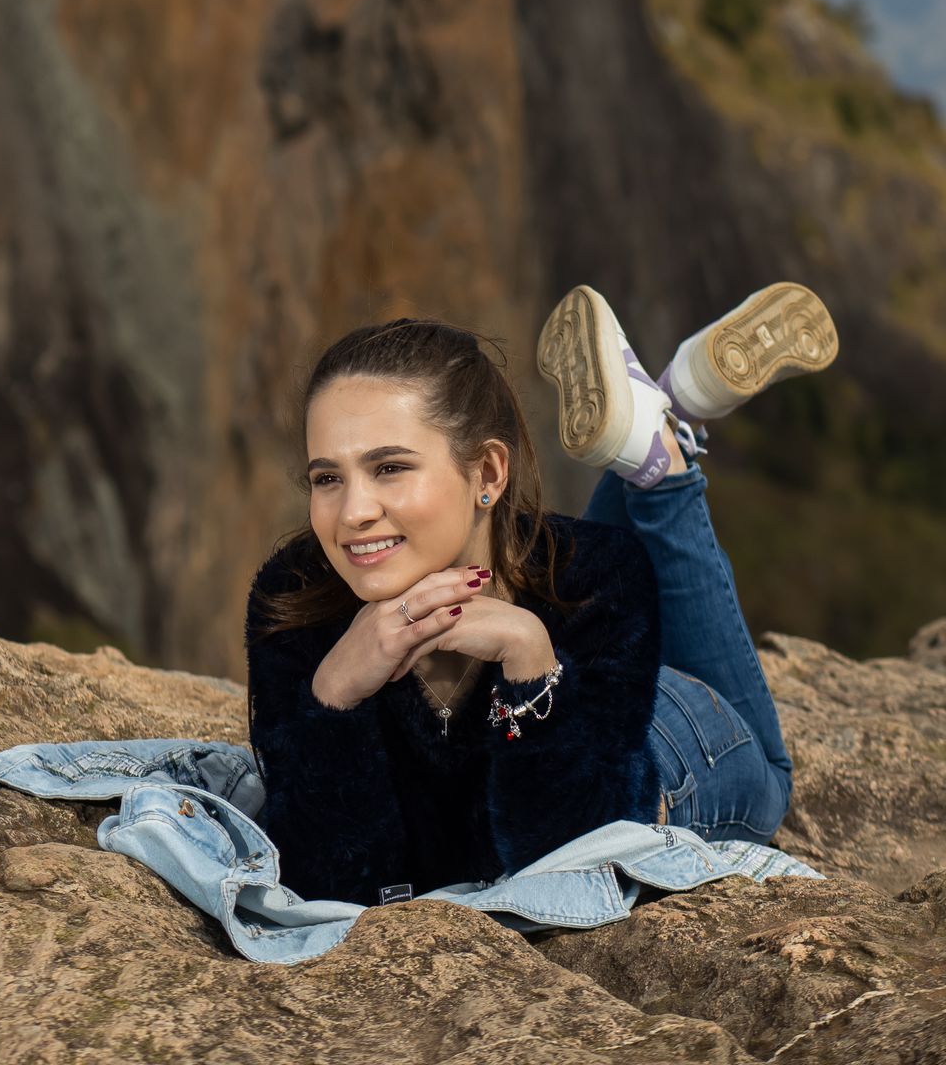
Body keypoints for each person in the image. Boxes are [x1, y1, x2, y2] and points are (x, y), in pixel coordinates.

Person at [243, 278, 838, 906]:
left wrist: (531, 666)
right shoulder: (295, 599)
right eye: (327, 477)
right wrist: (335, 693)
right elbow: (321, 877)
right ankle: (660, 420)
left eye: (390, 467)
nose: (353, 512)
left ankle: (661, 451)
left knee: (772, 781)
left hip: (666, 752)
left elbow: (569, 865)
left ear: (489, 473)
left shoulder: (596, 579)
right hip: (597, 667)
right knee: (574, 574)